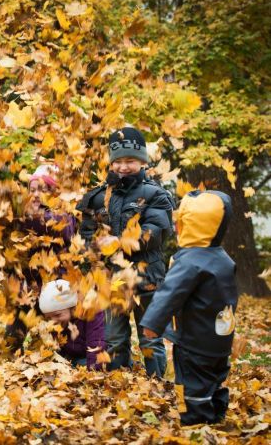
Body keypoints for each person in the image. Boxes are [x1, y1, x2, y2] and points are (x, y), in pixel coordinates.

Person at [77, 127, 174, 377]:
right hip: (113, 279)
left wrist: (119, 242)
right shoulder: (98, 197)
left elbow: (155, 233)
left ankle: (156, 383)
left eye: (130, 161)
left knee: (150, 337)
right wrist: (93, 245)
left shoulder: (155, 194)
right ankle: (120, 383)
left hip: (147, 277)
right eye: (117, 161)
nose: (123, 167)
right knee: (114, 338)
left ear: (142, 162)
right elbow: (86, 232)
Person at [140, 190, 237, 425]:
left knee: (192, 385)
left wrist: (152, 324)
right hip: (220, 340)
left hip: (193, 342)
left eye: (180, 223)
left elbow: (168, 295)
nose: (176, 228)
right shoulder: (224, 258)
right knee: (215, 378)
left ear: (189, 225)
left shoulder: (189, 262)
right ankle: (217, 413)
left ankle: (197, 423)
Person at [6, 163, 77, 351]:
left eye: (44, 190)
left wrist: (18, 218)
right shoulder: (23, 214)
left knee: (54, 334)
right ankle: (10, 353)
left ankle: (54, 356)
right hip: (27, 283)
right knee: (15, 328)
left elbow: (50, 224)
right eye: (33, 190)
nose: (36, 194)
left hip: (54, 284)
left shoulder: (63, 214)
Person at [38, 280, 106, 370]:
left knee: (82, 363)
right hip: (72, 357)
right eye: (49, 318)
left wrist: (93, 372)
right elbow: (57, 351)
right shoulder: (56, 324)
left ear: (72, 308)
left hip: (91, 357)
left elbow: (95, 345)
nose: (53, 321)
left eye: (58, 315)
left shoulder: (90, 312)